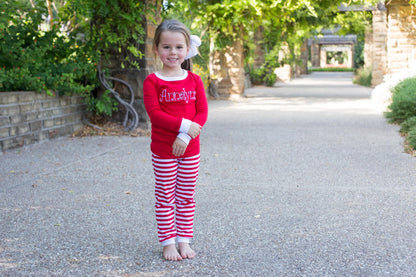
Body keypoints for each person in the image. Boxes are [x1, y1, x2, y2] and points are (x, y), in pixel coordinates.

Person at [143, 19, 208, 261]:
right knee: (165, 196)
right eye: (167, 47)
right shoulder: (153, 81)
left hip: (190, 149)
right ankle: (168, 243)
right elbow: (155, 115)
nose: (173, 52)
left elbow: (201, 113)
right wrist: (185, 126)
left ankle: (184, 241)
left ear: (187, 48)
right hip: (163, 150)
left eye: (179, 47)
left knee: (186, 196)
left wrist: (184, 135)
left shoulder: (194, 80)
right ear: (157, 49)